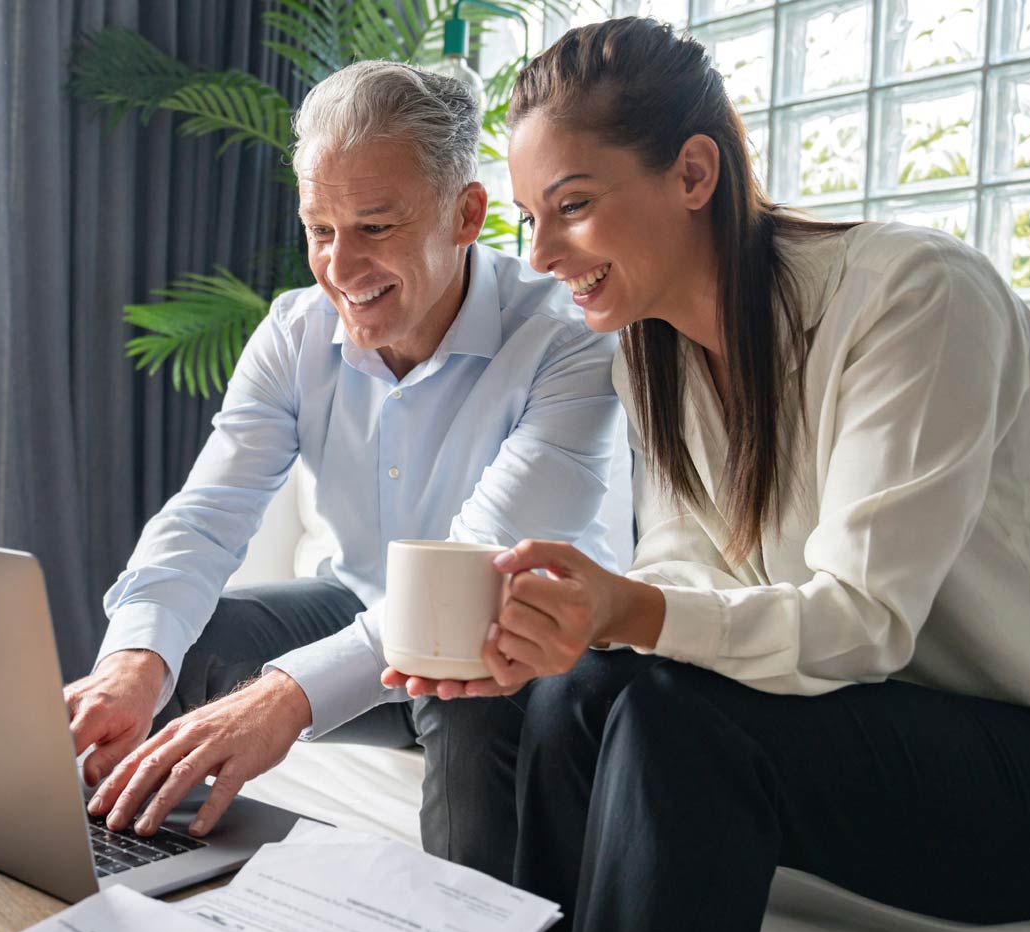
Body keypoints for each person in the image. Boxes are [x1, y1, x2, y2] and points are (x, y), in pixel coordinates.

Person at [388, 17, 1030, 932]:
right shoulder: (653, 358)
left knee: (676, 724)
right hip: (868, 732)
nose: (540, 256)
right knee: (584, 689)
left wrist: (628, 609)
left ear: (693, 173)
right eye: (531, 219)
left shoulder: (916, 297)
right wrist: (573, 624)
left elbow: (864, 622)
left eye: (571, 205)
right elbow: (686, 578)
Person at [69, 60, 621, 867]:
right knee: (178, 643)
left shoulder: (566, 340)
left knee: (473, 687)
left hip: (515, 647)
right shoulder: (294, 332)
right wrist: (132, 661)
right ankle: (146, 880)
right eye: (320, 229)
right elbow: (205, 515)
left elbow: (473, 574)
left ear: (466, 213)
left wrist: (289, 697)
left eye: (375, 227)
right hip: (355, 609)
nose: (338, 266)